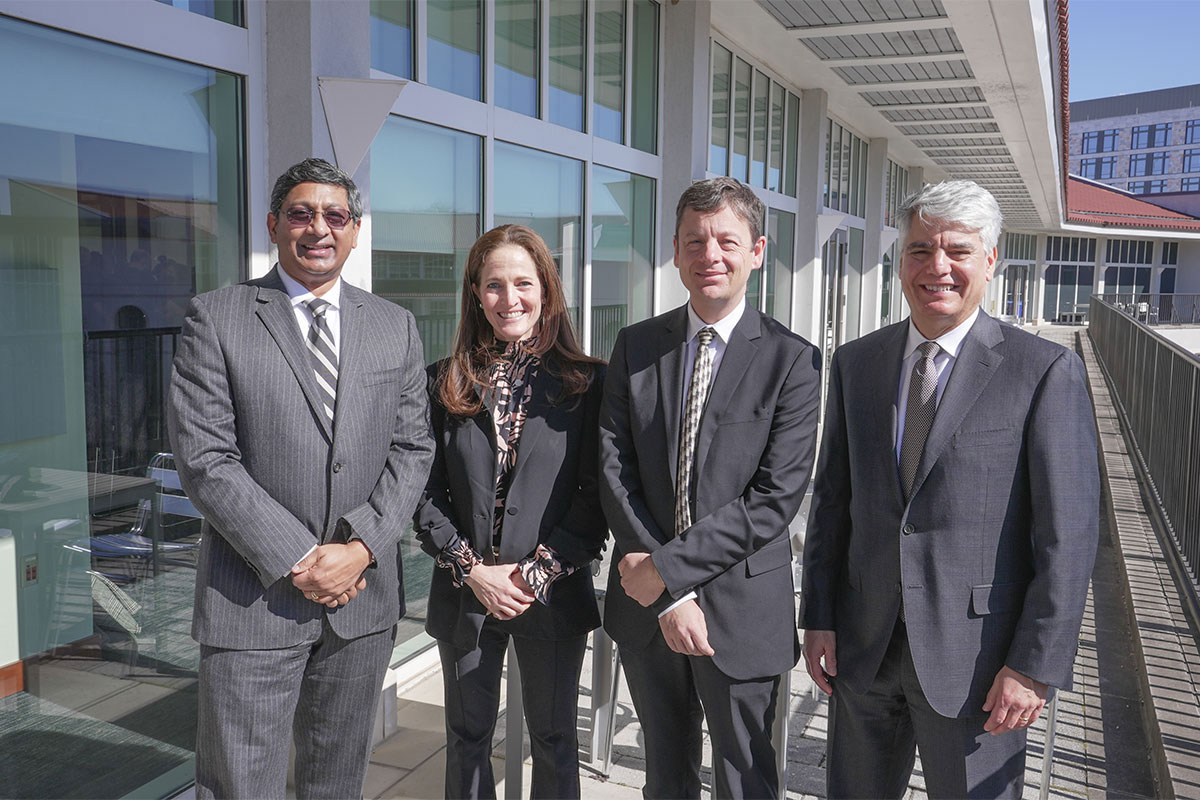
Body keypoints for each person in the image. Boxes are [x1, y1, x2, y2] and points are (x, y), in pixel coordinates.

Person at [800, 180, 1100, 799]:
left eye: (957, 251)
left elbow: (1067, 537)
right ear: (900, 262)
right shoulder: (857, 362)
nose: (937, 267)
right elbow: (834, 501)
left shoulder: (1042, 370)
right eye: (919, 250)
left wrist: (1034, 665)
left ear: (991, 260)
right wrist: (820, 615)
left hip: (981, 663)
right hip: (865, 645)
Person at [167, 157, 434, 798]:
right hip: (253, 603)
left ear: (355, 230)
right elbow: (205, 459)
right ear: (273, 224)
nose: (319, 228)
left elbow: (413, 447)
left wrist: (362, 549)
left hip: (360, 604)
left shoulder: (392, 324)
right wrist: (303, 558)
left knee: (334, 782)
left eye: (335, 215)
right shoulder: (218, 317)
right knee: (240, 785)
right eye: (301, 213)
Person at [599, 177, 822, 799]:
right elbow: (614, 469)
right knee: (664, 775)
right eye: (695, 241)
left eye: (727, 240)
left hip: (741, 610)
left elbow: (775, 499)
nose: (710, 255)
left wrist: (668, 573)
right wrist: (667, 594)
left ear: (757, 251)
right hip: (647, 609)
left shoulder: (793, 361)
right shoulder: (636, 346)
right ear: (675, 251)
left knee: (744, 777)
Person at [414, 224, 607, 799]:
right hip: (465, 591)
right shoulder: (441, 381)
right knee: (467, 735)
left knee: (553, 738)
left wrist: (531, 574)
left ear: (546, 290)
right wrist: (472, 570)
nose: (510, 299)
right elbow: (422, 493)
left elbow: (597, 497)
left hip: (549, 589)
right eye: (493, 285)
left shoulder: (588, 384)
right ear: (475, 293)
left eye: (523, 283)